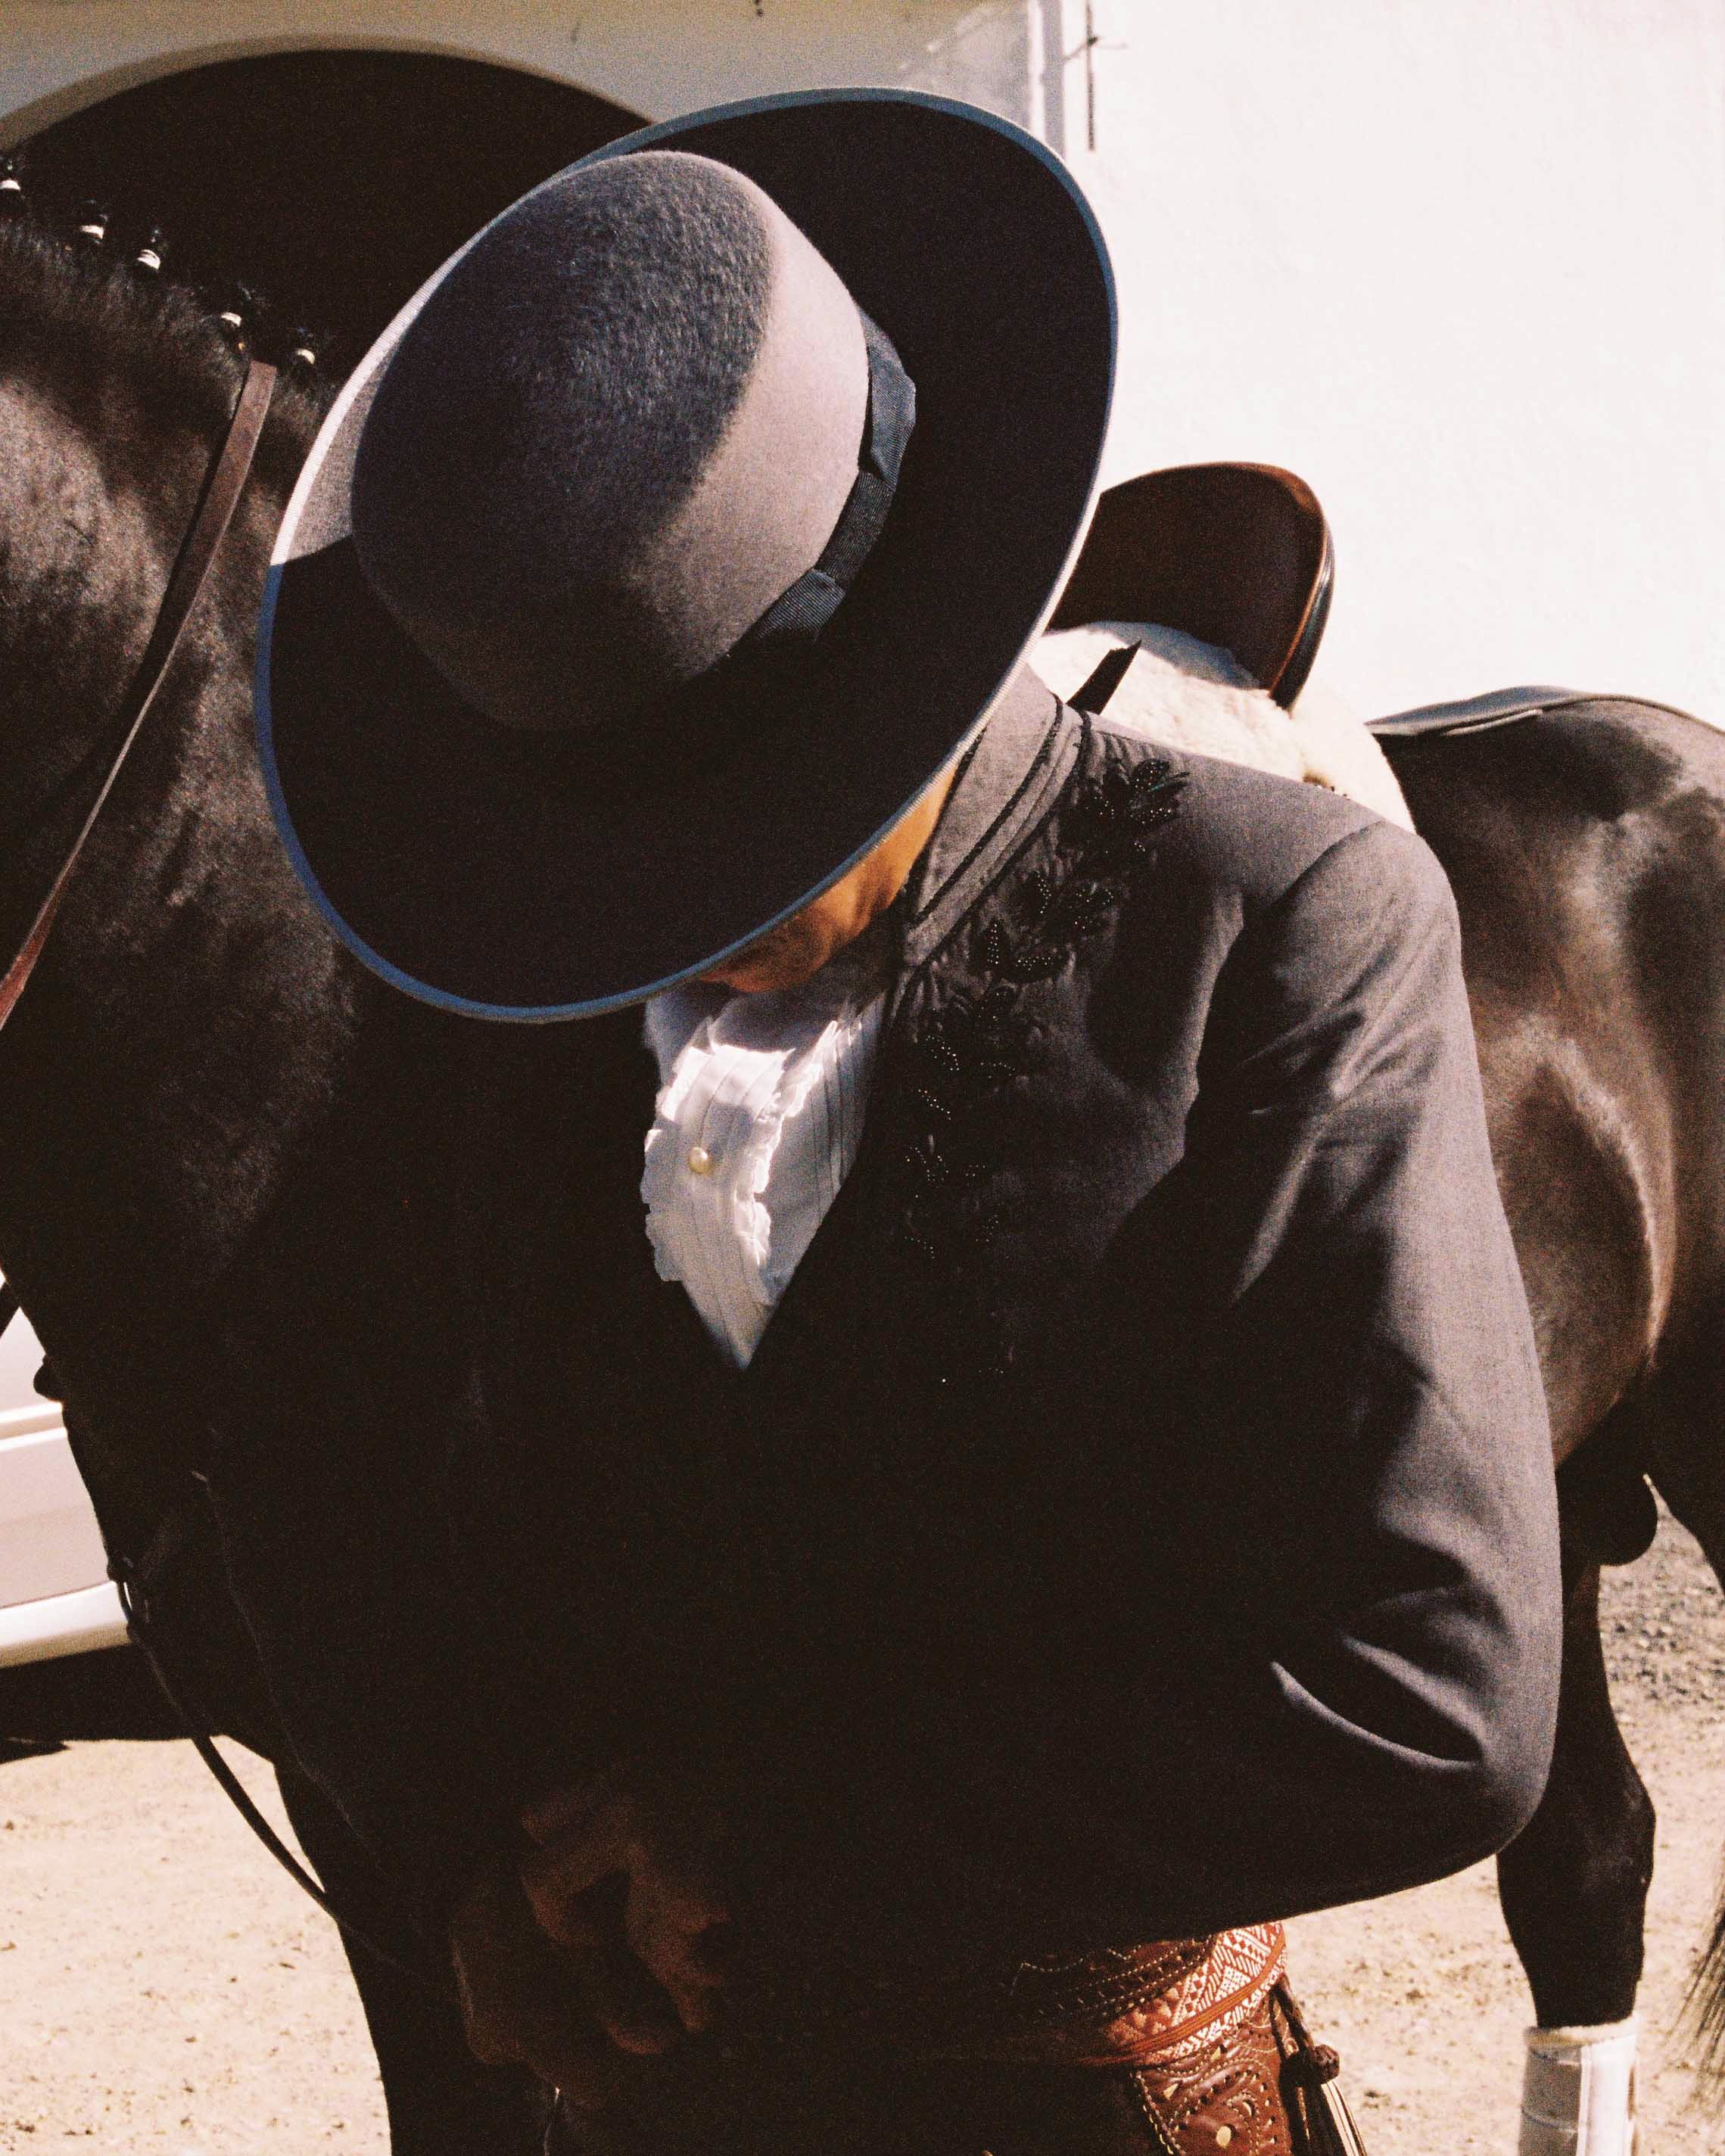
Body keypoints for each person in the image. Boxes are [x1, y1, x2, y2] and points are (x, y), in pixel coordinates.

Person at [243, 89, 1562, 2156]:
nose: (670, 925)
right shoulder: (515, 1004)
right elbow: (403, 1506)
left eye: (742, 828)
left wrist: (771, 1840)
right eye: (616, 847)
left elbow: (1436, 1693)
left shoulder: (1280, 928)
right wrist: (468, 1877)